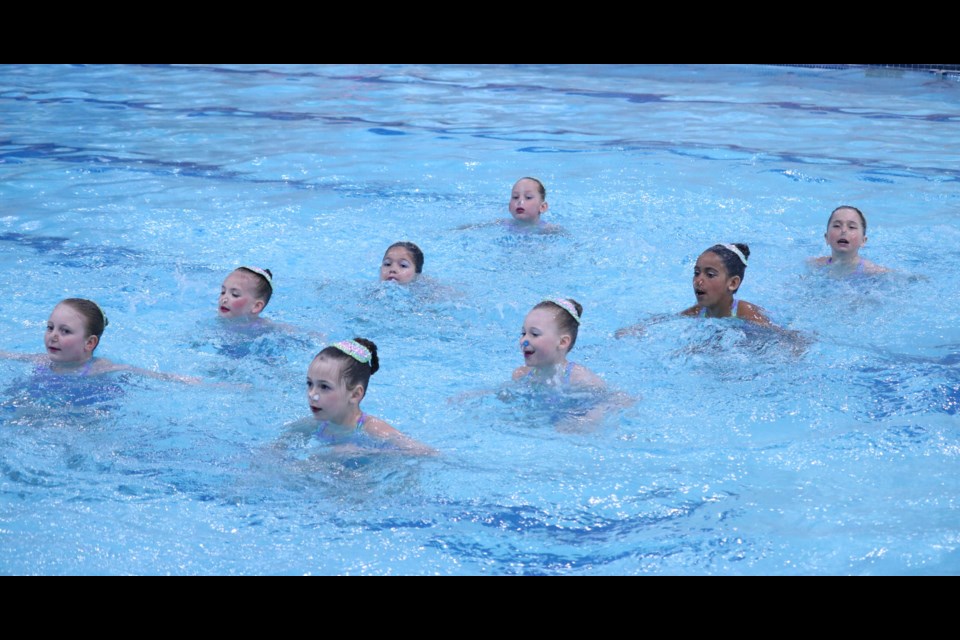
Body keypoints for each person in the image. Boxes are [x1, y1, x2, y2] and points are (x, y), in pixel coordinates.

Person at [288, 338, 435, 455]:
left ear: (355, 394)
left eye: (324, 387)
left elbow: (427, 453)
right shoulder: (313, 424)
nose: (312, 395)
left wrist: (366, 452)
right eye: (309, 384)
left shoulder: (374, 429)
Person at [0, 298, 200, 383]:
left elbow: (137, 371)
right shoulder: (42, 361)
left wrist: (180, 379)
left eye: (65, 331)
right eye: (50, 327)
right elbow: (8, 355)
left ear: (90, 343)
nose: (53, 336)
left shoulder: (98, 368)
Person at [514, 298, 605, 389]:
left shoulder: (582, 380)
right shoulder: (521, 375)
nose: (523, 341)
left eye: (535, 334)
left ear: (562, 342)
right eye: (523, 333)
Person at [810, 205, 888, 276]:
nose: (843, 230)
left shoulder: (874, 272)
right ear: (827, 238)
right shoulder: (814, 265)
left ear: (863, 241)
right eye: (837, 226)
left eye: (851, 227)